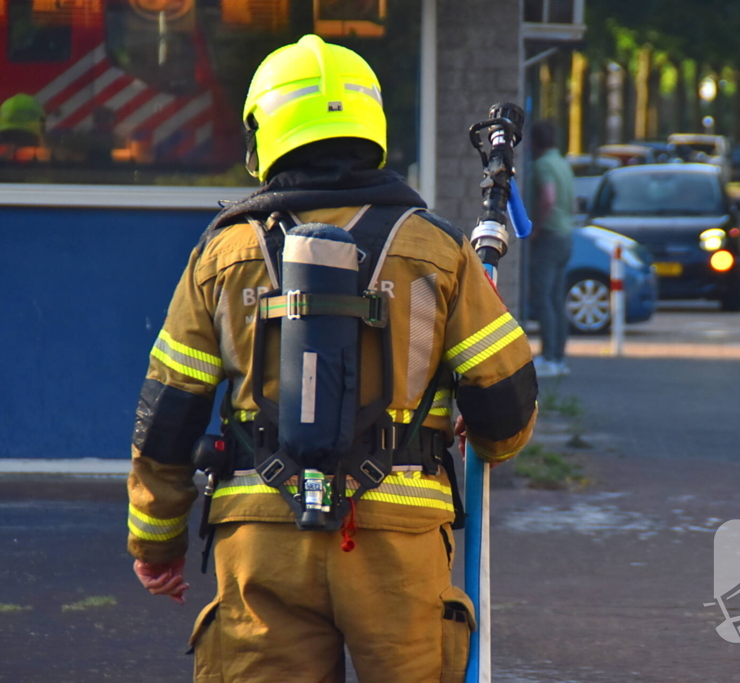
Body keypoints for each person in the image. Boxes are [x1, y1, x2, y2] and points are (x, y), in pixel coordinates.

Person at [127, 35, 538, 683]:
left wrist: (155, 542)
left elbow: (167, 416)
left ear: (264, 130)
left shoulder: (224, 252)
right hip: (398, 549)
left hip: (261, 543)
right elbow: (507, 409)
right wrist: (482, 428)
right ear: (369, 125)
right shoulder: (437, 248)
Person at [527, 120, 576, 378]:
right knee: (557, 299)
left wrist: (535, 229)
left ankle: (548, 358)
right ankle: (559, 357)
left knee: (543, 297)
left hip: (549, 236)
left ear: (534, 142)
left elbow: (548, 198)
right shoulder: (563, 163)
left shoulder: (542, 165)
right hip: (566, 234)